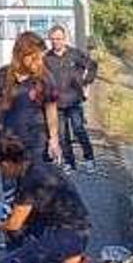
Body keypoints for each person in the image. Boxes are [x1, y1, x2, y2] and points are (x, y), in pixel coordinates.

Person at [0, 135, 91, 263]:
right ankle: (58, 261)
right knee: (1, 212)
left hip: (65, 236)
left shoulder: (30, 180)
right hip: (78, 229)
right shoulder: (40, 166)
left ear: (7, 163)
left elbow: (14, 224)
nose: (0, 171)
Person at [0, 32, 62, 166]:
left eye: (41, 57)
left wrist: (54, 140)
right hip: (8, 142)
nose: (38, 61)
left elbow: (51, 109)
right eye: (34, 57)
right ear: (21, 55)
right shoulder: (3, 74)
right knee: (11, 184)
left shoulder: (45, 77)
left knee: (35, 183)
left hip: (36, 142)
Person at [44, 25, 99, 174]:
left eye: (59, 39)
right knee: (62, 135)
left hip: (74, 100)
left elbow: (92, 66)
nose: (56, 42)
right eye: (53, 39)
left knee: (79, 129)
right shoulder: (46, 58)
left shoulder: (75, 54)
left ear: (65, 39)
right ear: (50, 40)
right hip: (56, 103)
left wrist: (86, 82)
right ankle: (70, 163)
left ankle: (89, 159)